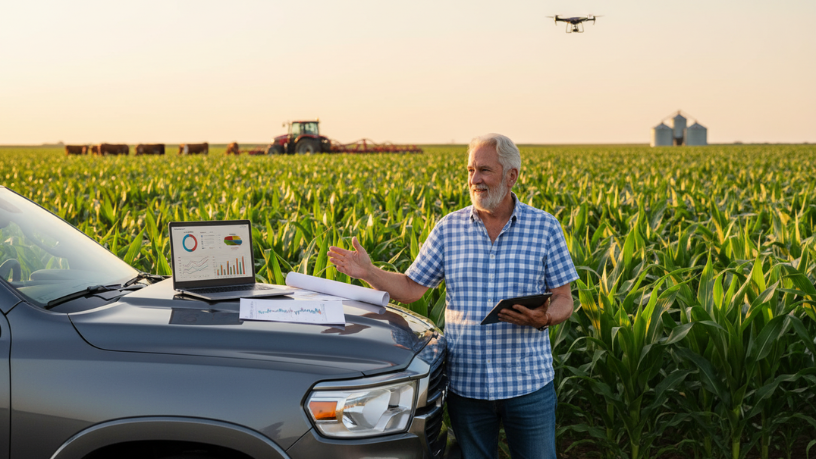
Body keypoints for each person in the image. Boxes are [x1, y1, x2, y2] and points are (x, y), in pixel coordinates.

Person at [328, 133, 579, 459]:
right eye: (470, 170)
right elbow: (411, 287)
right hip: (468, 388)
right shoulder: (449, 229)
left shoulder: (545, 227)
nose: (475, 179)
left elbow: (564, 298)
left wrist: (544, 317)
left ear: (511, 175)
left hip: (528, 385)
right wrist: (369, 272)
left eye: (485, 170)